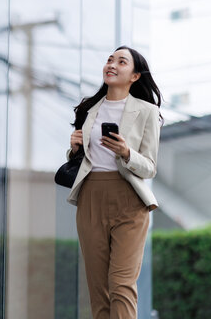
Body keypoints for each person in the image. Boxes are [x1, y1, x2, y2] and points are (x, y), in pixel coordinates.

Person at [66, 46, 162, 319]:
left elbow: (150, 167)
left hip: (129, 200)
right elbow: (83, 159)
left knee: (121, 285)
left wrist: (126, 152)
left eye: (122, 61)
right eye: (110, 60)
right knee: (99, 290)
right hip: (91, 197)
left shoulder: (146, 111)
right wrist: (74, 149)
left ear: (134, 76)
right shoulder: (88, 109)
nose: (112, 64)